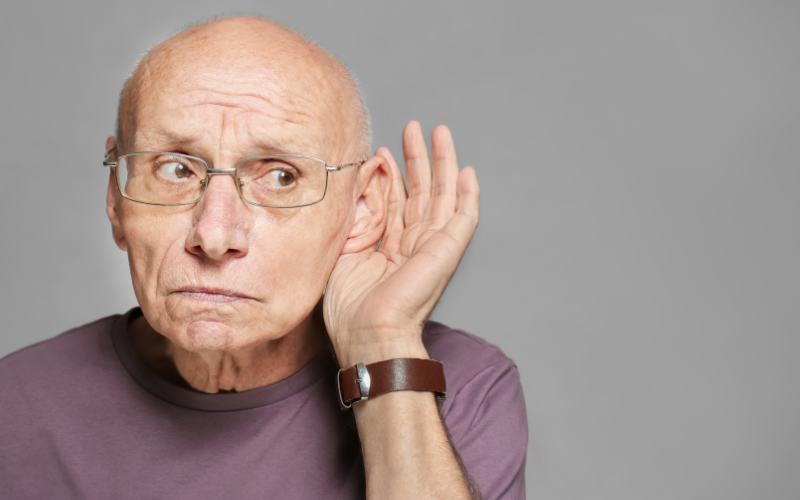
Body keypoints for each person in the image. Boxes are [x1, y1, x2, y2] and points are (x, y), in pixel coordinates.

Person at [0, 15, 527, 499]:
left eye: (280, 176)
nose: (213, 235)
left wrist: (381, 345)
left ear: (362, 207)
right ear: (117, 200)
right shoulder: (15, 404)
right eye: (176, 169)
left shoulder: (463, 387)